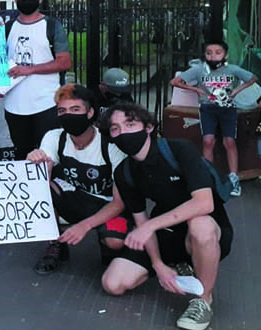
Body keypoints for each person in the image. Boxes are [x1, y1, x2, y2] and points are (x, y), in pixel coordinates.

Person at [99, 102, 233, 330]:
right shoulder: (124, 172)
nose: (122, 132)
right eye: (115, 129)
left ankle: (203, 300)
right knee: (113, 283)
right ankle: (179, 265)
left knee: (200, 225)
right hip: (169, 232)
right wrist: (158, 265)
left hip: (209, 229)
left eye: (130, 124)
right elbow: (141, 222)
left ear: (148, 127)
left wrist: (150, 226)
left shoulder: (179, 149)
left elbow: (204, 203)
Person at [26, 84, 129, 275]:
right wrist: (36, 161)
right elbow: (41, 181)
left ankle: (104, 237)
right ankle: (55, 242)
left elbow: (120, 202)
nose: (68, 115)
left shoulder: (110, 145)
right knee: (42, 187)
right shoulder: (55, 137)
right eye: (62, 111)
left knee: (115, 243)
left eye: (75, 110)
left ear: (90, 113)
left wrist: (85, 226)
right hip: (74, 198)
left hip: (107, 205)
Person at [170, 41, 256, 197]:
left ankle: (233, 178)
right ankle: (209, 176)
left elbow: (252, 78)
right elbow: (175, 82)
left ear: (225, 54)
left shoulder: (232, 69)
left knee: (229, 141)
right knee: (208, 141)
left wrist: (236, 91)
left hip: (228, 109)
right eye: (209, 52)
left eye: (218, 52)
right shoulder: (198, 70)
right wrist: (195, 89)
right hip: (208, 109)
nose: (213, 55)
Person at [4, 0, 72, 160]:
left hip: (46, 103)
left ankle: (51, 188)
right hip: (14, 105)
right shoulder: (8, 27)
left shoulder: (52, 26)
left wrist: (30, 70)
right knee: (21, 154)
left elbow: (64, 62)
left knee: (49, 155)